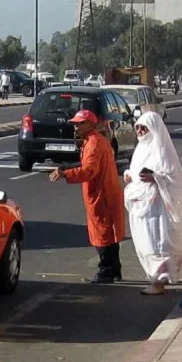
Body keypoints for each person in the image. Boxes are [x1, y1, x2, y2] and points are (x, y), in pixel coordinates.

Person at [49, 110, 126, 283]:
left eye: (79, 124)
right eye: (75, 124)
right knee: (108, 231)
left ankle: (105, 270)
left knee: (102, 231)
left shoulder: (94, 143)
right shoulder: (96, 141)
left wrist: (66, 174)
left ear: (91, 124)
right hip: (105, 192)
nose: (76, 127)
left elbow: (89, 170)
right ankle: (114, 270)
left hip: (101, 194)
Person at [123, 111, 182, 295]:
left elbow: (176, 178)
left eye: (144, 128)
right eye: (138, 128)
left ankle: (159, 282)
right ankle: (154, 279)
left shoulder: (163, 151)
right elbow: (136, 171)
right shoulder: (140, 149)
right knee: (145, 241)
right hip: (142, 206)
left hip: (158, 209)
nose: (141, 131)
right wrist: (131, 175)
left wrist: (155, 177)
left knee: (157, 242)